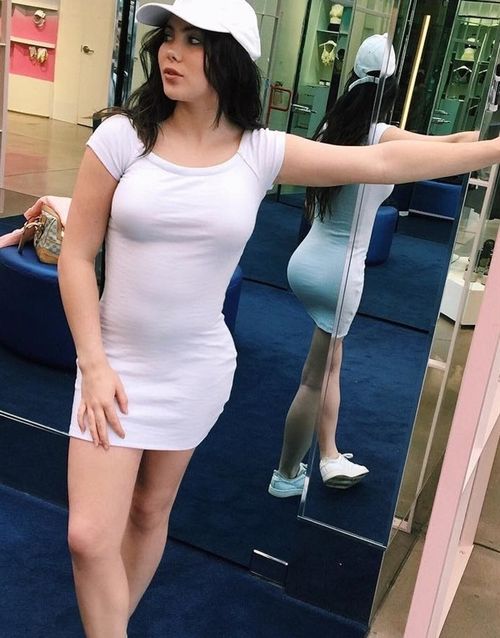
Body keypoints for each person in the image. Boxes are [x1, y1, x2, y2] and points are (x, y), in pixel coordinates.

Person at [57, 0, 499, 634]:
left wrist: (493, 149)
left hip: (195, 368)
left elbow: (381, 163)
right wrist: (94, 364)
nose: (171, 51)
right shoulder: (122, 136)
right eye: (168, 36)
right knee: (88, 535)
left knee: (151, 511)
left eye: (193, 39)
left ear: (231, 56)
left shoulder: (259, 151)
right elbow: (77, 256)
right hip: (112, 364)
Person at [268, 33, 480, 498]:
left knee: (329, 367)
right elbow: (448, 145)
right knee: (315, 378)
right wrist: (481, 135)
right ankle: (286, 475)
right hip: (340, 273)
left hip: (306, 260)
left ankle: (328, 455)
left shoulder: (333, 127)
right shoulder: (381, 135)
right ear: (393, 85)